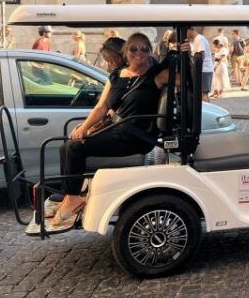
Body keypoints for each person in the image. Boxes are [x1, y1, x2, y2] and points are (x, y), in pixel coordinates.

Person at [49, 33, 174, 232]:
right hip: (117, 130)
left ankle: (73, 198)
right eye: (134, 48)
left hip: (136, 135)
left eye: (144, 49)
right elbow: (101, 107)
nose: (139, 53)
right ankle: (69, 195)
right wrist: (84, 127)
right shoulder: (116, 76)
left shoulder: (156, 74)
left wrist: (186, 54)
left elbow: (186, 76)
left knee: (74, 149)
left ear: (150, 52)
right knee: (66, 146)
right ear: (126, 52)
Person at [187, 27, 214, 102]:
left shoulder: (199, 39)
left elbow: (201, 55)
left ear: (190, 30)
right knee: (201, 93)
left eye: (186, 32)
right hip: (202, 70)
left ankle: (206, 111)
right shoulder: (196, 39)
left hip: (204, 69)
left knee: (203, 94)